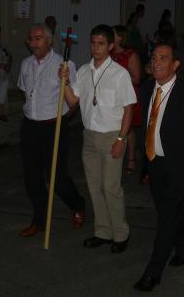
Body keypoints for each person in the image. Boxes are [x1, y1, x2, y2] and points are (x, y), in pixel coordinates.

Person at [133, 43, 184, 292]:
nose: (156, 62)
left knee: (167, 217)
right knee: (170, 209)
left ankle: (153, 272)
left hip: (180, 168)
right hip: (155, 162)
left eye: (163, 58)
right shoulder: (147, 89)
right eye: (154, 57)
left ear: (176, 65)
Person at [62, 25, 136, 253]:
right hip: (90, 136)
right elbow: (73, 100)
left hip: (112, 135)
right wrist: (64, 82)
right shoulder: (84, 71)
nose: (96, 47)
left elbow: (129, 107)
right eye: (93, 43)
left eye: (101, 43)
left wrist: (122, 139)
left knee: (111, 186)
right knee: (94, 187)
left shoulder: (119, 73)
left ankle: (120, 234)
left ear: (111, 46)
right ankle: (102, 231)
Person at [16, 24, 87, 237]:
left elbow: (74, 100)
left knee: (57, 178)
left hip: (53, 126)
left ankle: (78, 205)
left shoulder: (64, 65)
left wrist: (64, 117)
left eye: (39, 38)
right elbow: (25, 92)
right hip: (29, 126)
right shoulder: (26, 64)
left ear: (49, 41)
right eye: (31, 38)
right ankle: (40, 220)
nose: (34, 42)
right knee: (32, 178)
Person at [111, 25, 142, 174]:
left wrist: (119, 79)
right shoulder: (109, 54)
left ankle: (131, 159)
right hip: (111, 97)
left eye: (113, 34)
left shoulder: (130, 54)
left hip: (126, 94)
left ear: (121, 37)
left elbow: (136, 79)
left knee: (128, 128)